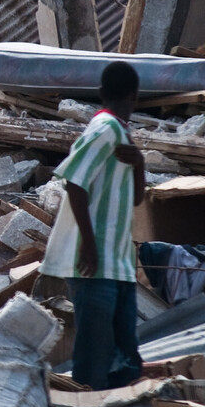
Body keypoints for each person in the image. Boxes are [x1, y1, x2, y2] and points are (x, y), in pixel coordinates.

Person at [42, 60, 147, 390]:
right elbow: (74, 182)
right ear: (134, 95)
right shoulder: (105, 129)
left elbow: (135, 198)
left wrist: (140, 162)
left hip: (117, 265)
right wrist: (88, 243)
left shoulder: (120, 132)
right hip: (96, 263)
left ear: (102, 92)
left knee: (121, 359)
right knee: (97, 357)